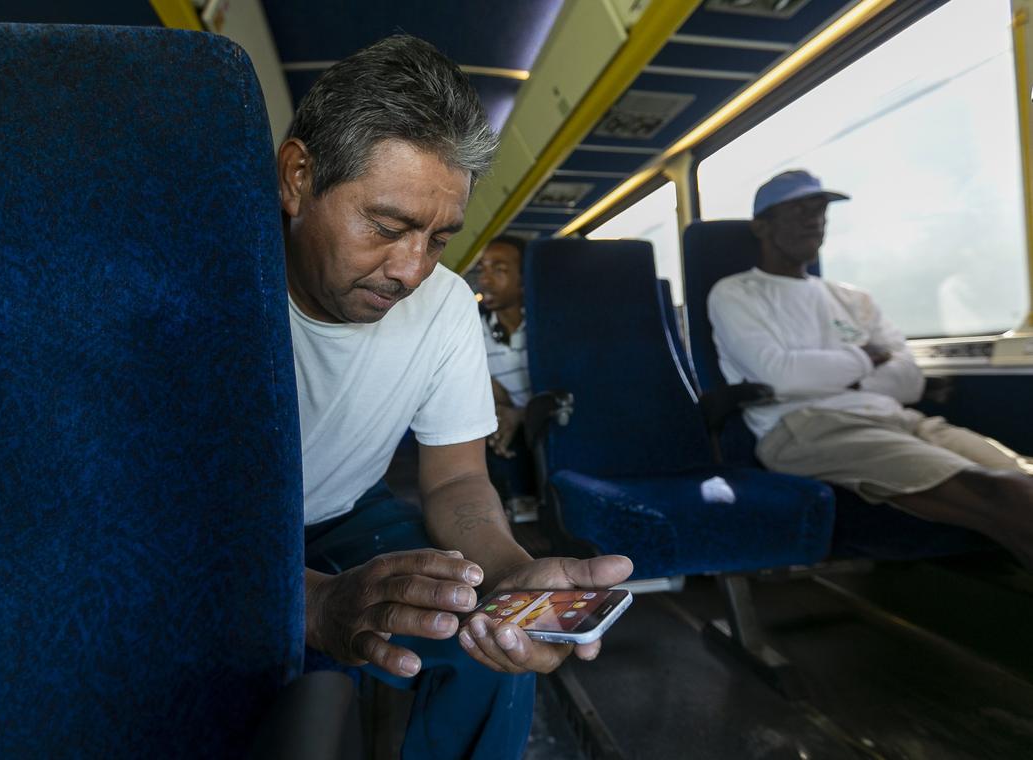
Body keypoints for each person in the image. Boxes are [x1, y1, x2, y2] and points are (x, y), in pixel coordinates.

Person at [278, 35, 633, 759]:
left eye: (440, 239)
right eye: (387, 226)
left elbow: (459, 478)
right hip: (205, 530)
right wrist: (311, 601)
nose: (411, 270)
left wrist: (508, 575)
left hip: (344, 511)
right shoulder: (202, 278)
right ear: (297, 177)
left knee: (485, 630)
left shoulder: (441, 306)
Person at [708, 169, 1033, 568]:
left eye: (821, 211)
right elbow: (780, 376)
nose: (815, 220)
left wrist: (825, 373)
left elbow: (909, 382)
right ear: (761, 226)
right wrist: (865, 360)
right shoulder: (737, 292)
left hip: (900, 419)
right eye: (799, 211)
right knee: (1004, 493)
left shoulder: (852, 298)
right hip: (807, 427)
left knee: (1024, 479)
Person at [475, 235, 538, 513]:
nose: (485, 280)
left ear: (525, 280)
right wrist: (502, 411)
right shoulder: (471, 331)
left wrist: (521, 414)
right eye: (483, 269)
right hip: (505, 423)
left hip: (553, 421)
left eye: (498, 269)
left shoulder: (548, 326)